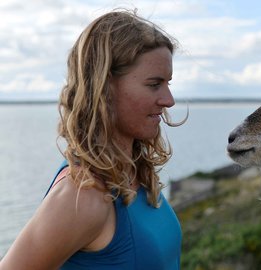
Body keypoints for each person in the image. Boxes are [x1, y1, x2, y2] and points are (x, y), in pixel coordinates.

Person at [0, 10, 183, 269]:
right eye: (154, 84)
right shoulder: (84, 195)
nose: (168, 100)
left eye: (168, 84)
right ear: (105, 88)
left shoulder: (136, 174)